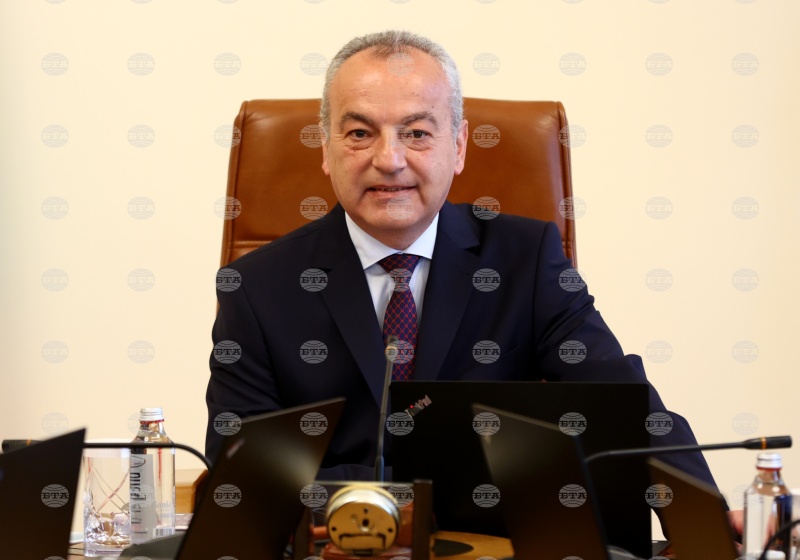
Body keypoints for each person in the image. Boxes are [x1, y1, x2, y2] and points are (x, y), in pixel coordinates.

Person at [205, 29, 742, 535]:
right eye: (360, 133)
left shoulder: (524, 260)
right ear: (325, 148)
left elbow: (625, 407)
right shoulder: (257, 286)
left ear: (459, 146)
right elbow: (242, 468)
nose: (389, 160)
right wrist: (390, 504)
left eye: (417, 133)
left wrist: (706, 524)